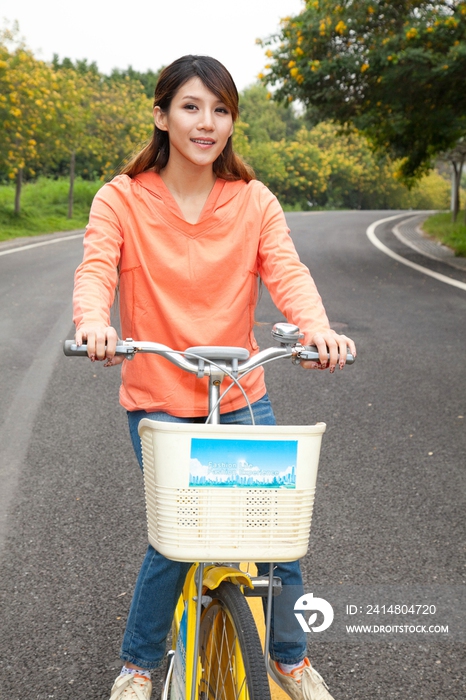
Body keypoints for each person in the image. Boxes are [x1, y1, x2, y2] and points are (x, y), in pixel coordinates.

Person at [73, 55, 356, 700]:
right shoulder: (121, 198)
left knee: (279, 537)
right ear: (161, 115)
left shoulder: (253, 201)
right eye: (191, 107)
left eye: (220, 109)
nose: (206, 123)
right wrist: (94, 321)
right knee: (175, 540)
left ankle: (289, 659)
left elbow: (286, 271)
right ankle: (138, 667)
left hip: (240, 391)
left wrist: (317, 328)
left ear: (232, 121)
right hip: (159, 399)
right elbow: (96, 270)